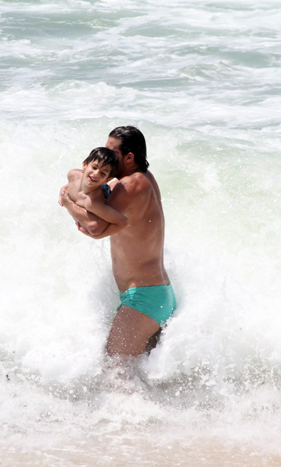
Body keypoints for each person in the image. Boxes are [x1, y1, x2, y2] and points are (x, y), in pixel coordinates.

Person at [59, 126, 175, 358]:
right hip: (154, 294)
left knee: (114, 372)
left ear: (130, 157)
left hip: (143, 298)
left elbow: (95, 227)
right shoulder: (144, 178)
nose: (106, 156)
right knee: (133, 375)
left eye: (113, 152)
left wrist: (67, 201)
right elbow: (95, 196)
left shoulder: (130, 185)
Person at [60, 147, 128, 230]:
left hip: (104, 192)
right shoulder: (73, 174)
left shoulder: (92, 202)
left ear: (107, 179)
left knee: (94, 229)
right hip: (99, 185)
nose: (96, 173)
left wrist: (67, 202)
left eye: (102, 173)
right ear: (85, 165)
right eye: (94, 167)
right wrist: (63, 190)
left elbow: (123, 221)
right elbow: (69, 185)